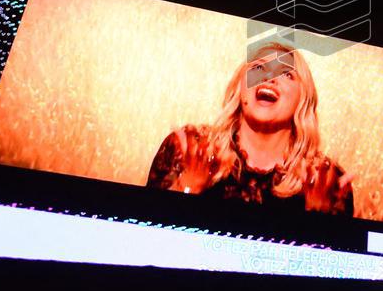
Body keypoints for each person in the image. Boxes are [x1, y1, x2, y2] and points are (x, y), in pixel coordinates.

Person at [146, 41, 353, 216]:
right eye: (258, 68)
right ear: (240, 89)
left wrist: (320, 217)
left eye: (287, 74)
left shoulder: (324, 179)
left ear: (302, 100)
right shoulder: (189, 149)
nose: (269, 78)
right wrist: (188, 188)